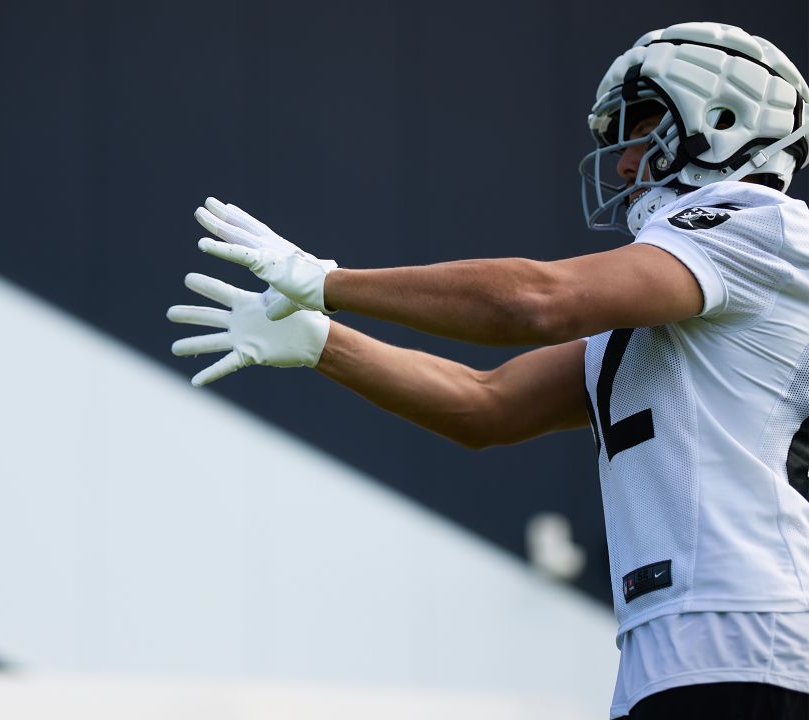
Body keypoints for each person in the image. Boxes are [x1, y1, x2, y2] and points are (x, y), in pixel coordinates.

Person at [168, 21, 809, 720]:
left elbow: (537, 301)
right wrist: (323, 341)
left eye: (646, 121)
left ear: (721, 122)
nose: (624, 165)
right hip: (675, 652)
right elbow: (488, 405)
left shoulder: (761, 227)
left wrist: (325, 280)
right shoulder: (683, 304)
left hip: (754, 631)